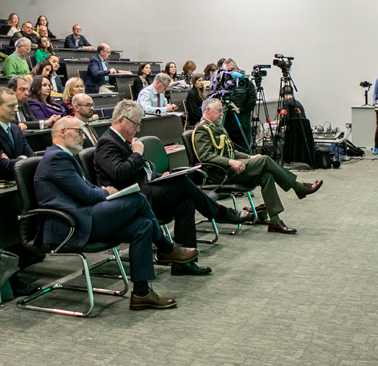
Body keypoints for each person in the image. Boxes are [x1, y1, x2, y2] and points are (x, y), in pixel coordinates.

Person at [35, 117, 196, 310]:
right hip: (71, 224)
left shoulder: (64, 157)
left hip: (85, 215)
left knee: (143, 226)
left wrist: (104, 192)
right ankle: (166, 248)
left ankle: (141, 293)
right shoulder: (56, 158)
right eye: (79, 132)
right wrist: (106, 192)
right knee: (138, 199)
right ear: (62, 132)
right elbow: (86, 195)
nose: (83, 138)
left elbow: (84, 191)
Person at [96, 100, 253, 278]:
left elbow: (137, 173)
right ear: (121, 120)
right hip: (131, 200)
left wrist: (158, 177)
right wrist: (137, 154)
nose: (138, 129)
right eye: (136, 124)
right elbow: (119, 174)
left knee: (185, 203)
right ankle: (221, 213)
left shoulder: (123, 140)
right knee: (182, 184)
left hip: (145, 191)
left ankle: (184, 265)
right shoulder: (107, 143)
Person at [192, 97, 322, 234]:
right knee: (265, 160)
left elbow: (231, 151)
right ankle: (298, 187)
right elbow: (205, 156)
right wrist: (229, 162)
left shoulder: (216, 128)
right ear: (207, 110)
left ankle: (274, 220)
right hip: (219, 173)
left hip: (229, 169)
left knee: (266, 176)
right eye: (219, 111)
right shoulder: (202, 129)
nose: (222, 114)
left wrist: (249, 157)